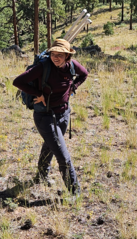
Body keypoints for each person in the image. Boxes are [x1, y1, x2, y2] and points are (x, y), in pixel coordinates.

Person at [13, 39, 88, 197]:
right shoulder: (43, 67)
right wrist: (38, 94)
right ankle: (75, 191)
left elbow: (84, 74)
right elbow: (18, 81)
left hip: (64, 114)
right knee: (62, 154)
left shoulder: (72, 66)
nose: (55, 57)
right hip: (45, 116)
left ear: (67, 56)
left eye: (60, 55)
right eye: (53, 54)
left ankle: (41, 175)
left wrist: (73, 87)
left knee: (50, 145)